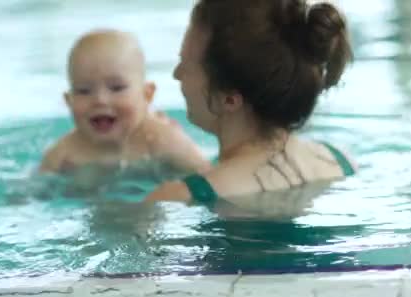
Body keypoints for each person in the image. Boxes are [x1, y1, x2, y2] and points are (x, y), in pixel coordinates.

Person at [146, 0, 356, 205]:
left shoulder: (183, 197)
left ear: (229, 99)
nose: (177, 74)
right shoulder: (341, 162)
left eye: (186, 64)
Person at [39, 29, 211, 175]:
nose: (100, 100)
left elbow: (210, 178)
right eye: (84, 91)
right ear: (69, 101)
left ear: (147, 95)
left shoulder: (162, 142)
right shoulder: (64, 154)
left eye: (116, 88)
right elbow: (29, 194)